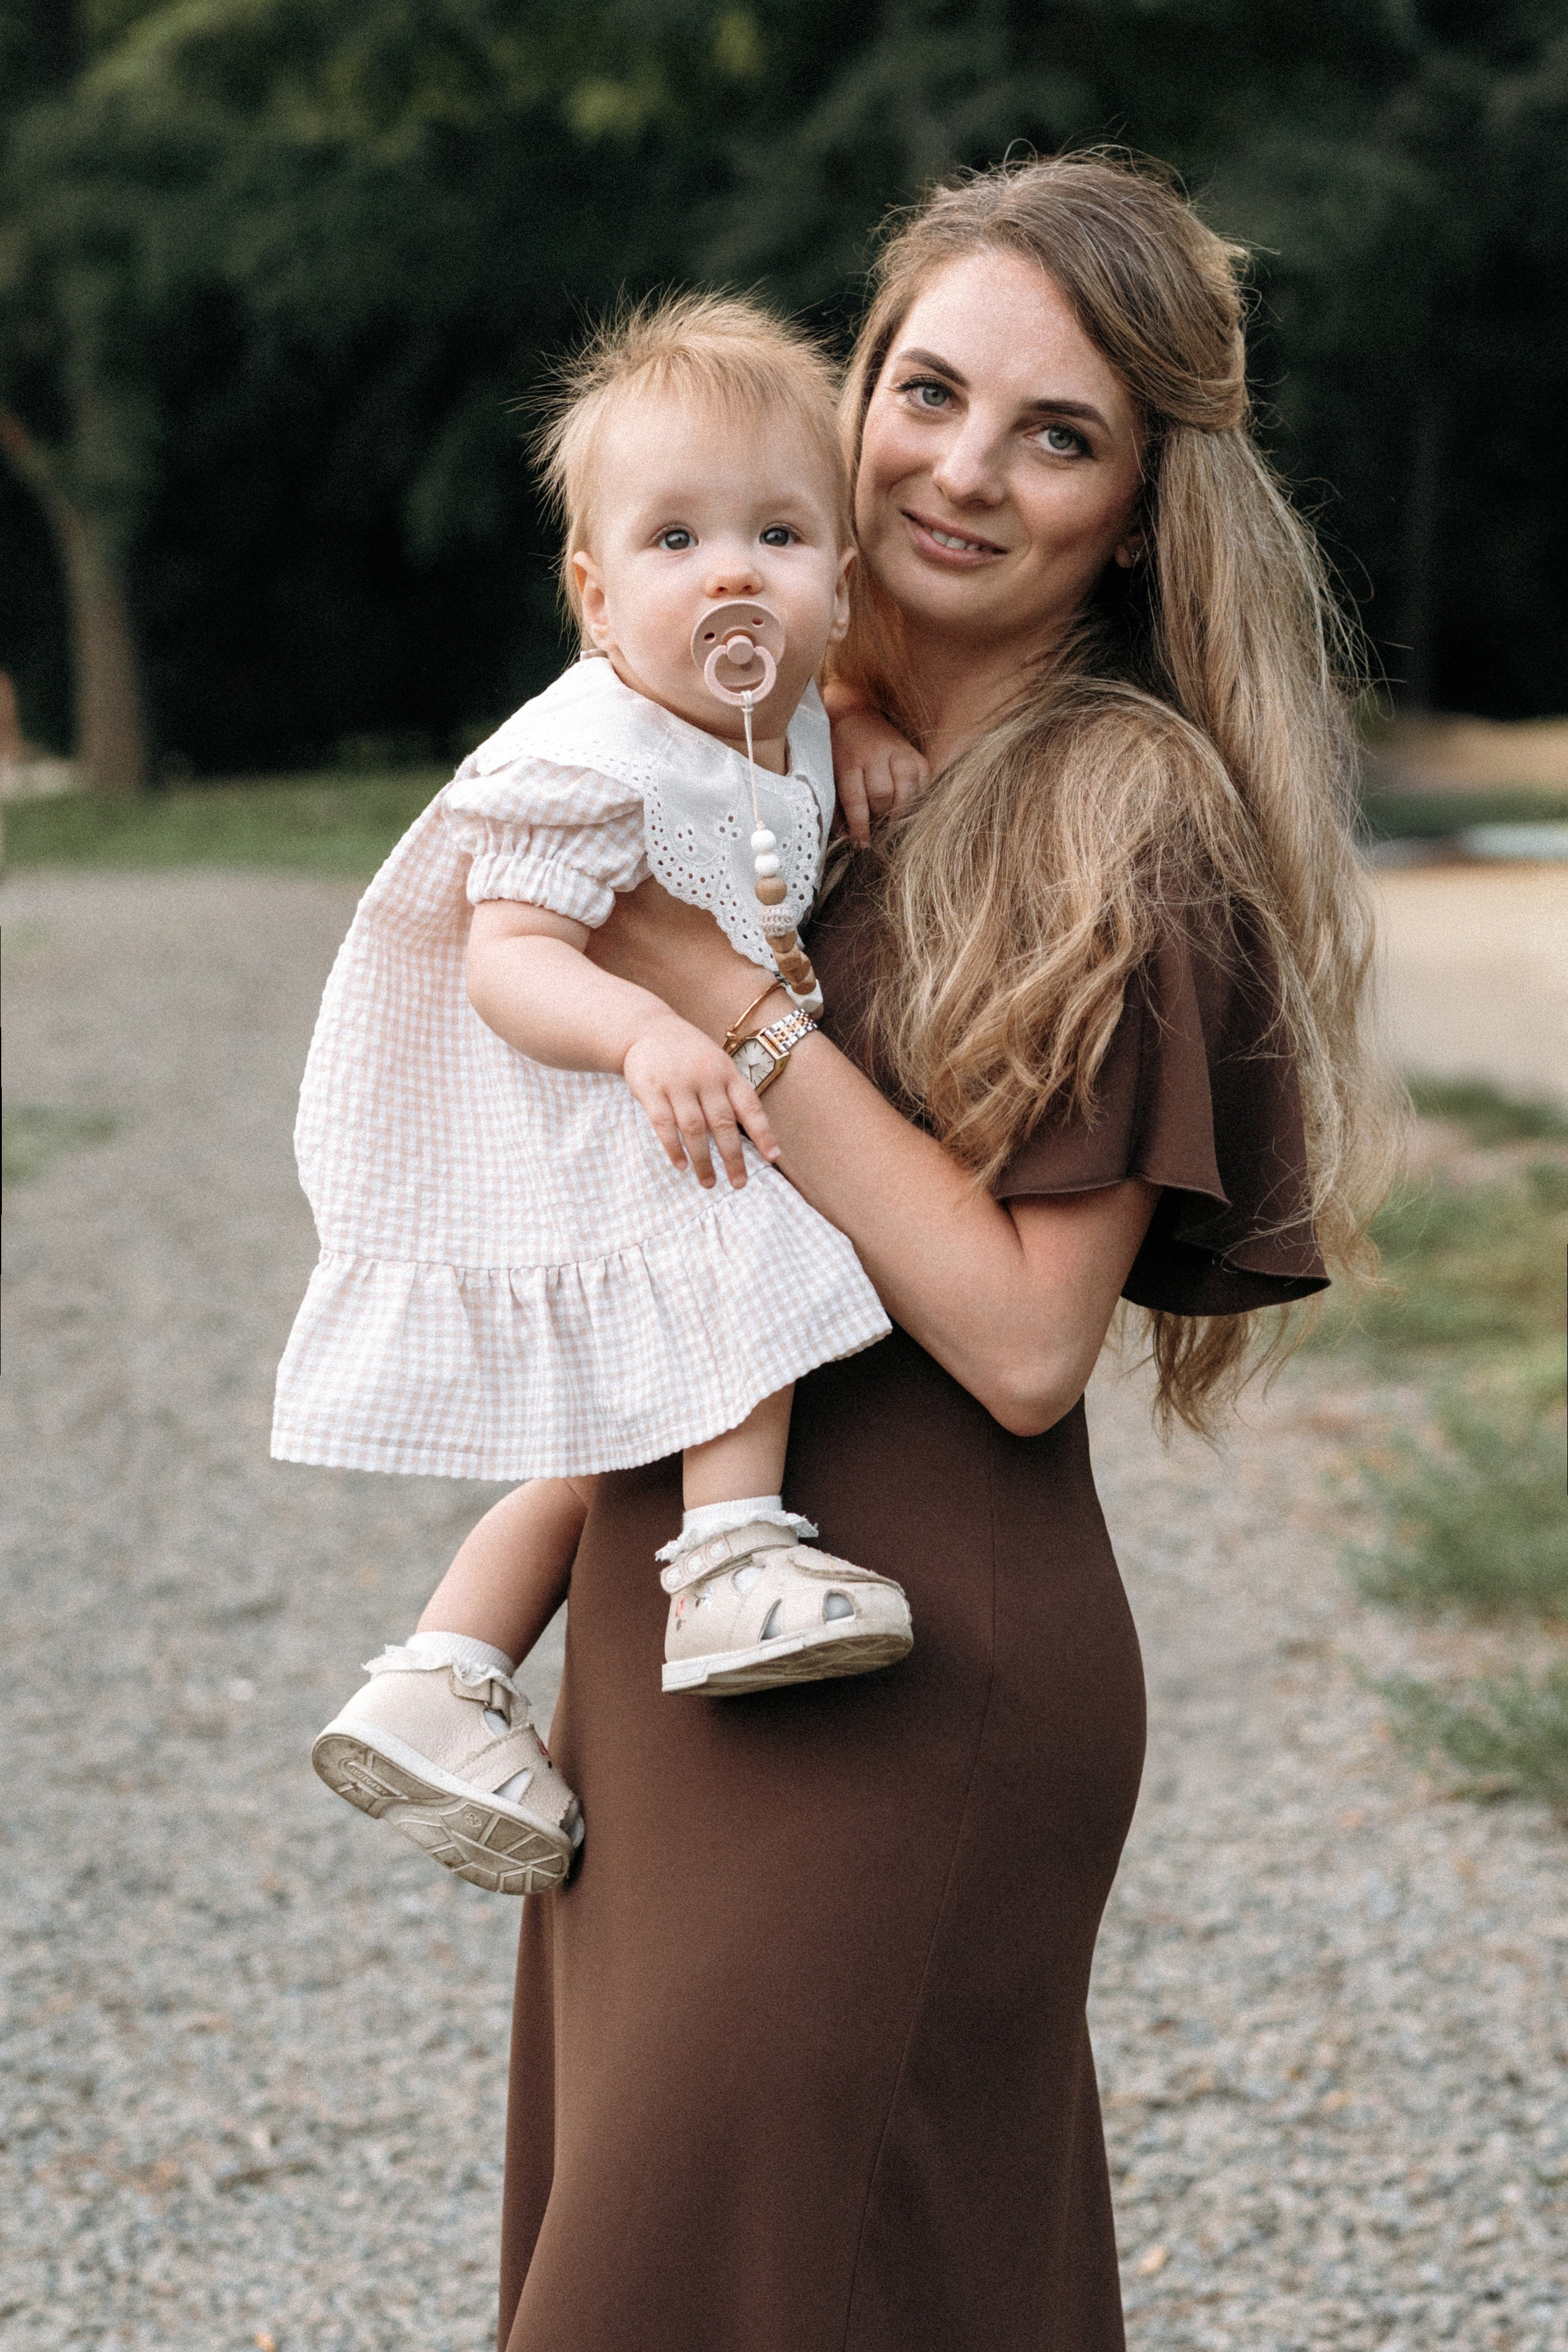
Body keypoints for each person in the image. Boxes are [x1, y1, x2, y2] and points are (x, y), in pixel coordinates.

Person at [496, 154, 1395, 2350]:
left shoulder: (1126, 823)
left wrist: (735, 1007)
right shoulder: (743, 732)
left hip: (900, 1657)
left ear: (1141, 504)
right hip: (667, 1634)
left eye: (1057, 434)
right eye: (929, 391)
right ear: (854, 388)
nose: (964, 472)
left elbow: (1015, 1336)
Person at [273, 294, 915, 1903]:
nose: (733, 574)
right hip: (590, 1107)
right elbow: (506, 962)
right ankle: (728, 1568)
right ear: (596, 593)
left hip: (660, 1102)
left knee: (591, 1449)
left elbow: (800, 728)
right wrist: (640, 1035)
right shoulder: (594, 749)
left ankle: (441, 1678)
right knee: (748, 1277)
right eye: (677, 536)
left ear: (841, 575)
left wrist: (872, 723)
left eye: (780, 532)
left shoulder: (778, 720)